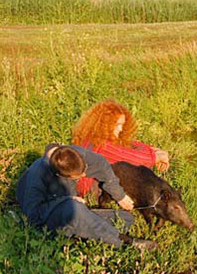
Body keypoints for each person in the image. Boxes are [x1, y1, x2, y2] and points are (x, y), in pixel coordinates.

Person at [16, 143, 156, 251]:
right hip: (48, 218)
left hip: (75, 210)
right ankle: (125, 242)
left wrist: (119, 195)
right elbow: (33, 215)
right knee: (74, 209)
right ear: (62, 175)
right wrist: (67, 200)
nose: (84, 176)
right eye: (79, 176)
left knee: (126, 219)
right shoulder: (37, 176)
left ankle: (83, 233)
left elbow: (101, 164)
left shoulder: (73, 154)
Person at [72, 99, 170, 198]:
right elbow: (137, 160)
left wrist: (155, 151)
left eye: (122, 125)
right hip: (89, 193)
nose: (121, 129)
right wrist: (158, 156)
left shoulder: (92, 137)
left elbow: (131, 144)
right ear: (105, 125)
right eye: (117, 125)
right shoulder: (103, 146)